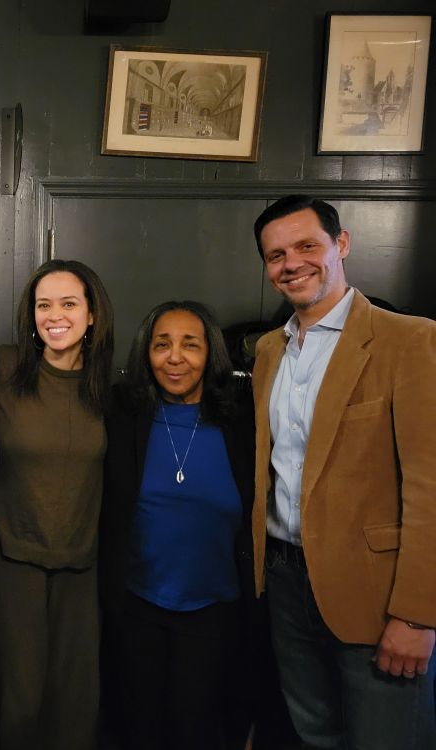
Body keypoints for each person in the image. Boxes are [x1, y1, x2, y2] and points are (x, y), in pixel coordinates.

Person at [252, 195, 436, 748]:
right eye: (276, 254)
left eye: (307, 246)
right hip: (284, 579)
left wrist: (418, 614)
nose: (291, 263)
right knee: (314, 736)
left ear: (343, 244)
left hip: (376, 594)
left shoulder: (410, 340)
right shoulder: (267, 352)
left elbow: (431, 487)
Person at [100, 300, 255, 750]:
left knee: (197, 731)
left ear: (212, 354)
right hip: (136, 607)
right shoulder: (122, 415)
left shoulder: (240, 420)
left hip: (215, 611)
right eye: (161, 345)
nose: (175, 357)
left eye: (191, 345)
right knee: (138, 730)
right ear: (145, 353)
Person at [0, 258, 113, 750]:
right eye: (43, 304)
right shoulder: (2, 366)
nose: (54, 315)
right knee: (17, 703)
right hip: (10, 559)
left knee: (74, 704)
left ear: (92, 315)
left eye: (67, 303)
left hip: (82, 564)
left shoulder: (108, 392)